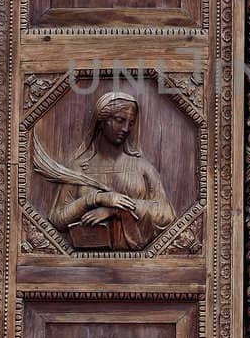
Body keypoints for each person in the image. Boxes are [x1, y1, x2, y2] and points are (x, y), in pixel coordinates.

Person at [49, 91, 174, 250]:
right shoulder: (79, 168)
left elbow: (166, 214)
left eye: (131, 123)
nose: (126, 128)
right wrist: (96, 199)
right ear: (101, 120)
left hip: (138, 265)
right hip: (82, 265)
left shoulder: (143, 168)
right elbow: (57, 219)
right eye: (120, 120)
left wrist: (115, 209)